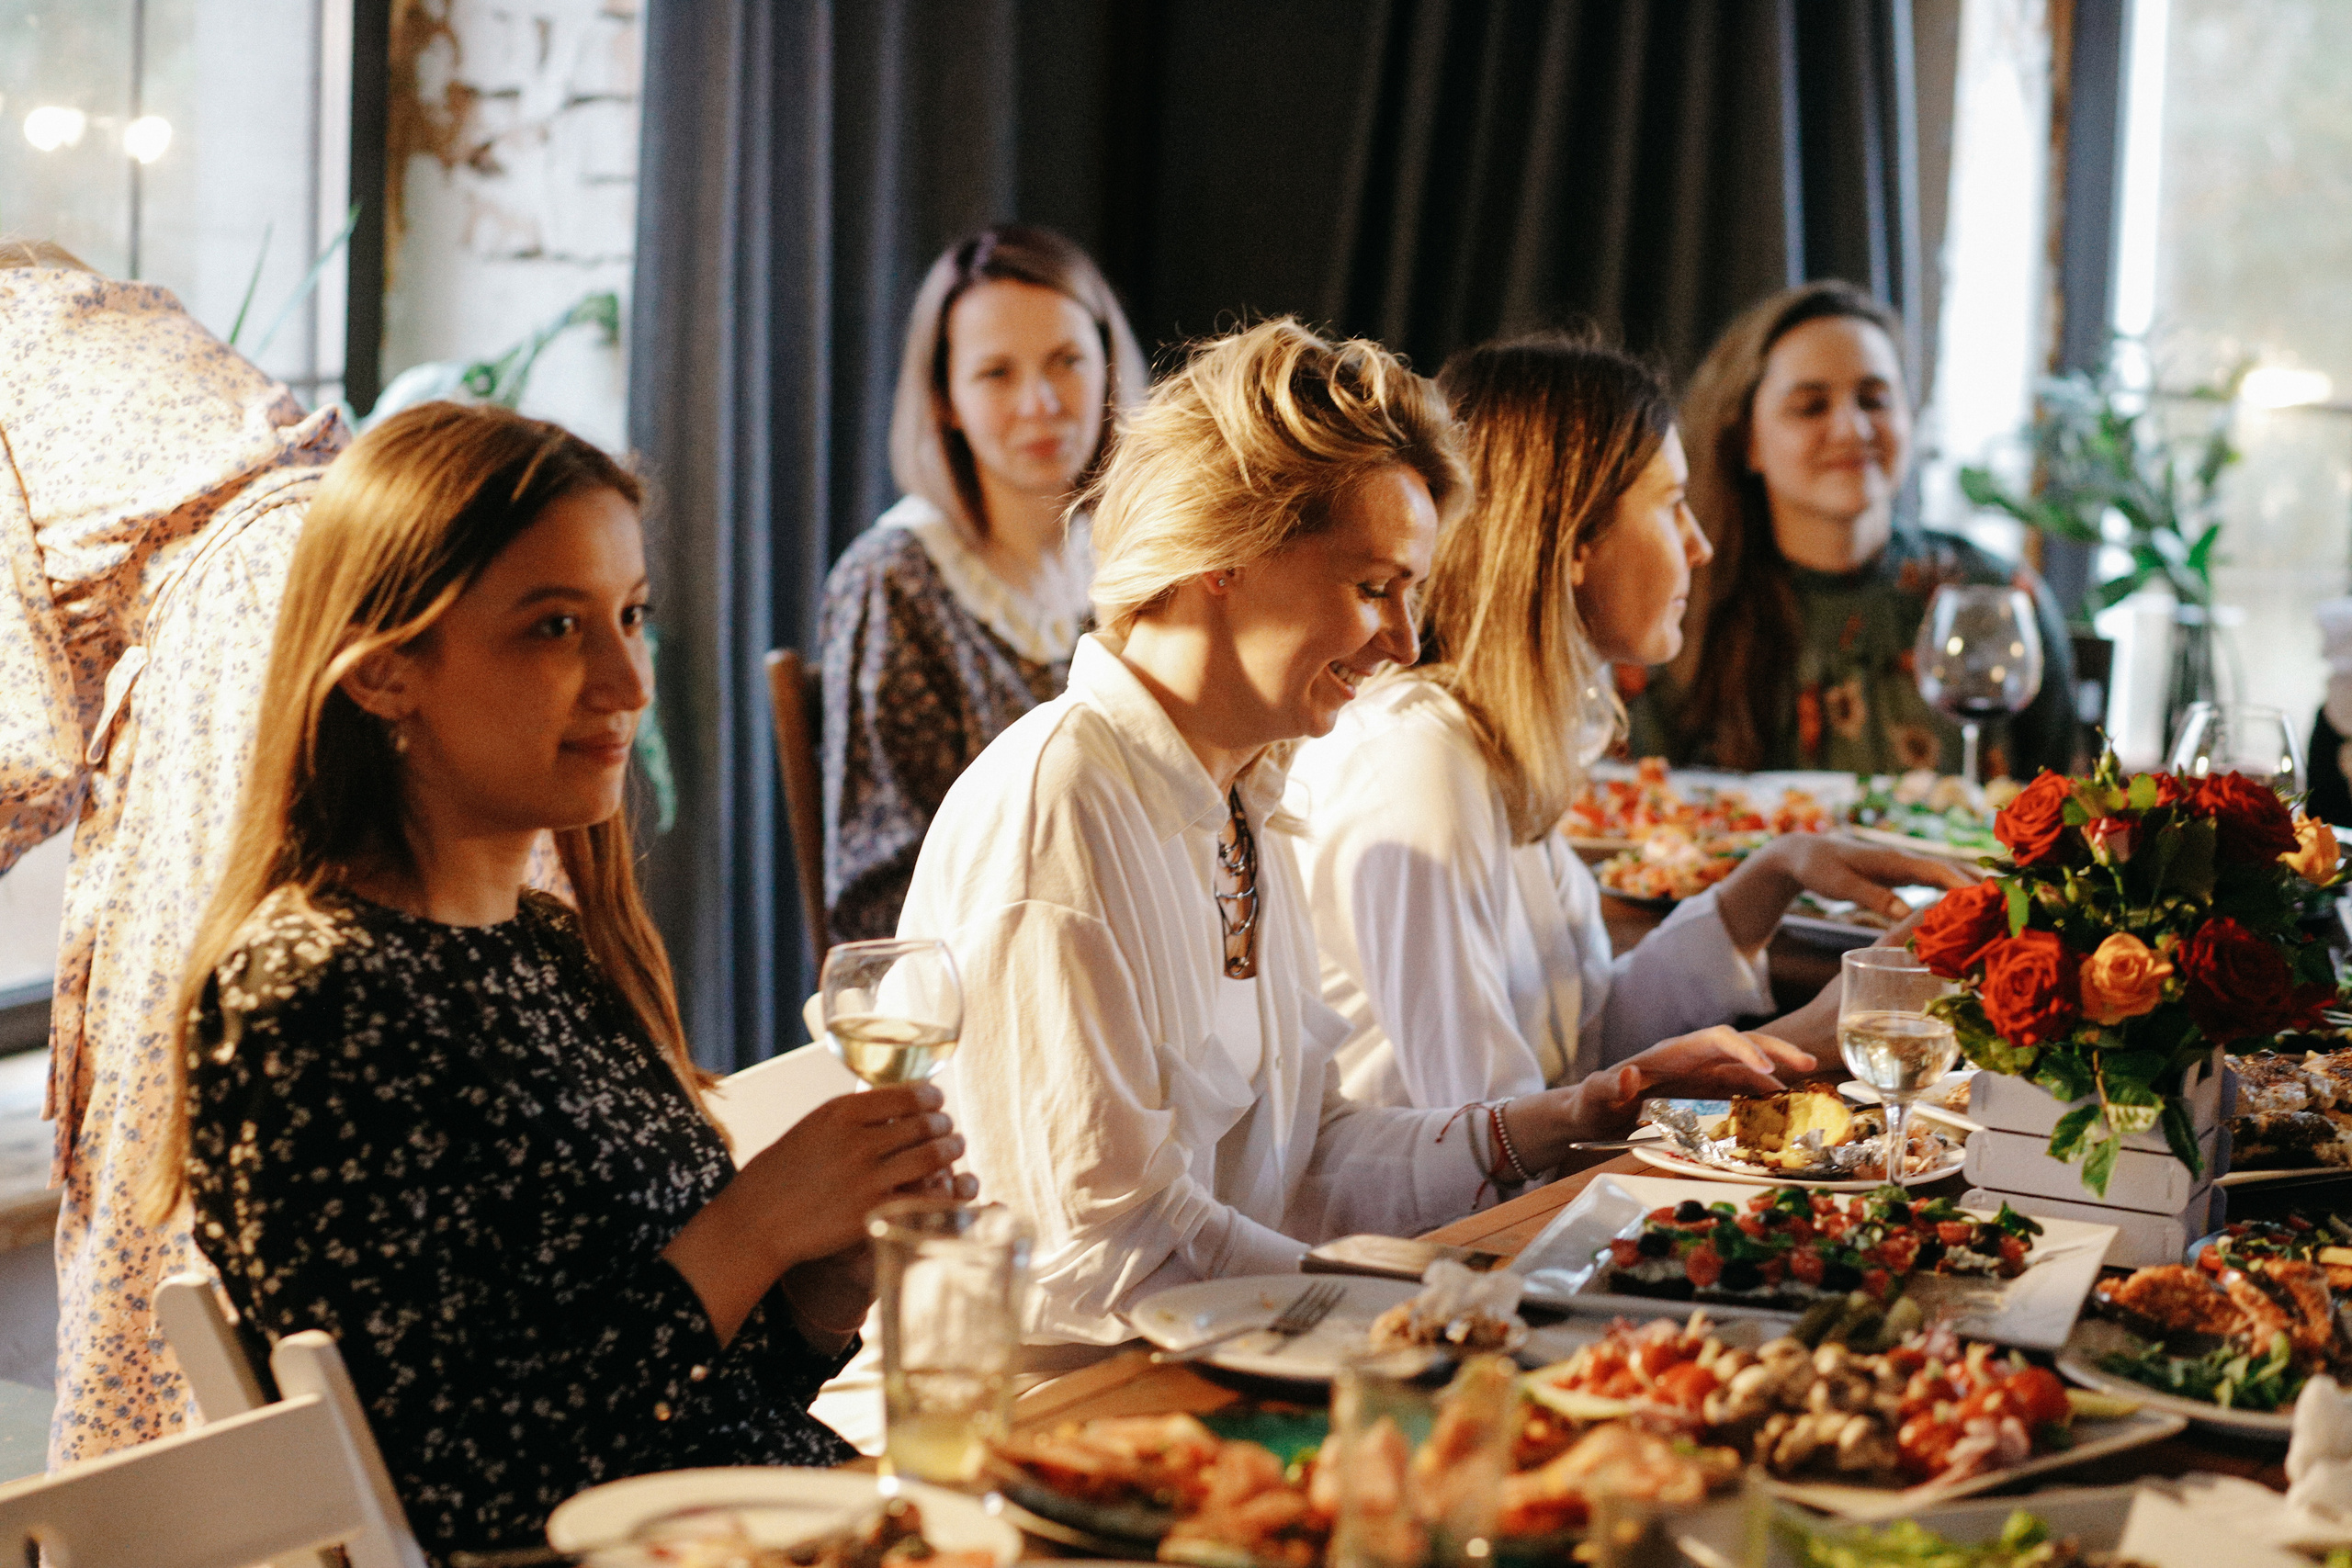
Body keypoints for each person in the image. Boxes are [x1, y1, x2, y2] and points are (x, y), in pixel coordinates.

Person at [896, 320, 1813, 1348]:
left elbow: (1313, 1153)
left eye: (1412, 592)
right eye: (1373, 587)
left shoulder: (1248, 790)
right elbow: (1104, 1253)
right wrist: (1401, 1307)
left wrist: (1572, 1114)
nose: (1406, 642)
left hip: (1225, 1347)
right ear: (1225, 552)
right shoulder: (1062, 803)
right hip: (1036, 1399)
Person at [154, 404, 969, 1561]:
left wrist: (822, 1286)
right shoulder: (306, 997)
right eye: (554, 627)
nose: (628, 681)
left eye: (631, 615)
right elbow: (464, 1486)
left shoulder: (547, 947)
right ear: (385, 672)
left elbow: (686, 1405)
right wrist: (754, 1227)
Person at [1285, 334, 1973, 1109]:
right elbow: (1493, 1135)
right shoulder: (1416, 765)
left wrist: (1772, 875)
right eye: (1672, 505)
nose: (1699, 545)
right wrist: (1811, 1039)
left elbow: (1591, 1038)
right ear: (1576, 540)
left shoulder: (1497, 743)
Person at [0, 243, 354, 1466]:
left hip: (244, 669)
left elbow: (20, 744)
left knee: (201, 1130)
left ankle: (235, 1502)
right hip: (374, 592)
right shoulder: (51, 286)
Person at [820, 225, 1148, 942]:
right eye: (997, 373)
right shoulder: (894, 580)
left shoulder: (1136, 553)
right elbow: (881, 892)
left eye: (1067, 361)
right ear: (944, 399)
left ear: (1109, 367)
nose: (1040, 402)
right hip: (982, 971)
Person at [1621, 280, 2075, 778]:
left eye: (1875, 399)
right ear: (1747, 440)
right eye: (1810, 406)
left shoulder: (1999, 598)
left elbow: (2064, 805)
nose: (1852, 429)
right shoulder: (1677, 605)